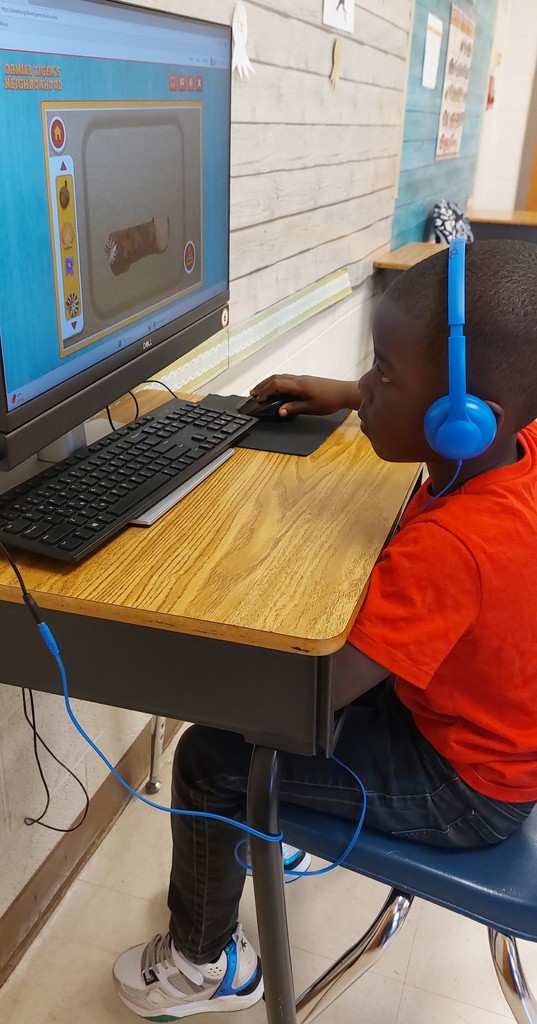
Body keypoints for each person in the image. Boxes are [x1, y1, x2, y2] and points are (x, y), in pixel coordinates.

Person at [113, 239, 537, 1019]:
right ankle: (269, 846)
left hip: (465, 786)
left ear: (462, 420)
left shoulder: (457, 547)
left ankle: (199, 965)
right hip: (484, 728)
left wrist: (219, 592)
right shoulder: (515, 451)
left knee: (210, 755)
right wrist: (348, 392)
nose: (368, 389)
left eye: (384, 376)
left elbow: (309, 698)